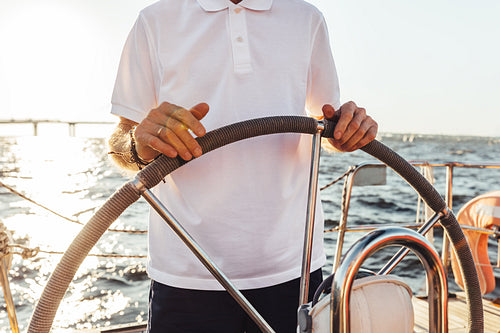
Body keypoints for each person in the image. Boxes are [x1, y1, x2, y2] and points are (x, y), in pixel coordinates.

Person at [108, 0, 377, 332]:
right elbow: (121, 141)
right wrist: (139, 141)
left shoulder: (307, 19)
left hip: (294, 268)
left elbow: (327, 123)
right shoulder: (154, 21)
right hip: (187, 275)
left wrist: (347, 130)